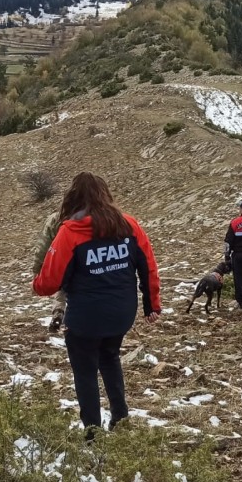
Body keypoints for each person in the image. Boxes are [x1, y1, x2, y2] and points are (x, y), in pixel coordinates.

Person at [33, 173, 161, 440]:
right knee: (110, 356)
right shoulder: (129, 225)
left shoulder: (70, 231)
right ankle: (121, 418)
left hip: (85, 319)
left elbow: (49, 281)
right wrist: (151, 305)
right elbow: (147, 266)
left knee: (85, 371)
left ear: (74, 198)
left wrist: (38, 285)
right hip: (121, 314)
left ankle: (92, 434)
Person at [35, 210, 68, 332]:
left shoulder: (55, 219)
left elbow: (43, 246)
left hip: (58, 259)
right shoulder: (93, 216)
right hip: (83, 259)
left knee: (61, 288)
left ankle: (59, 310)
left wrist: (37, 270)